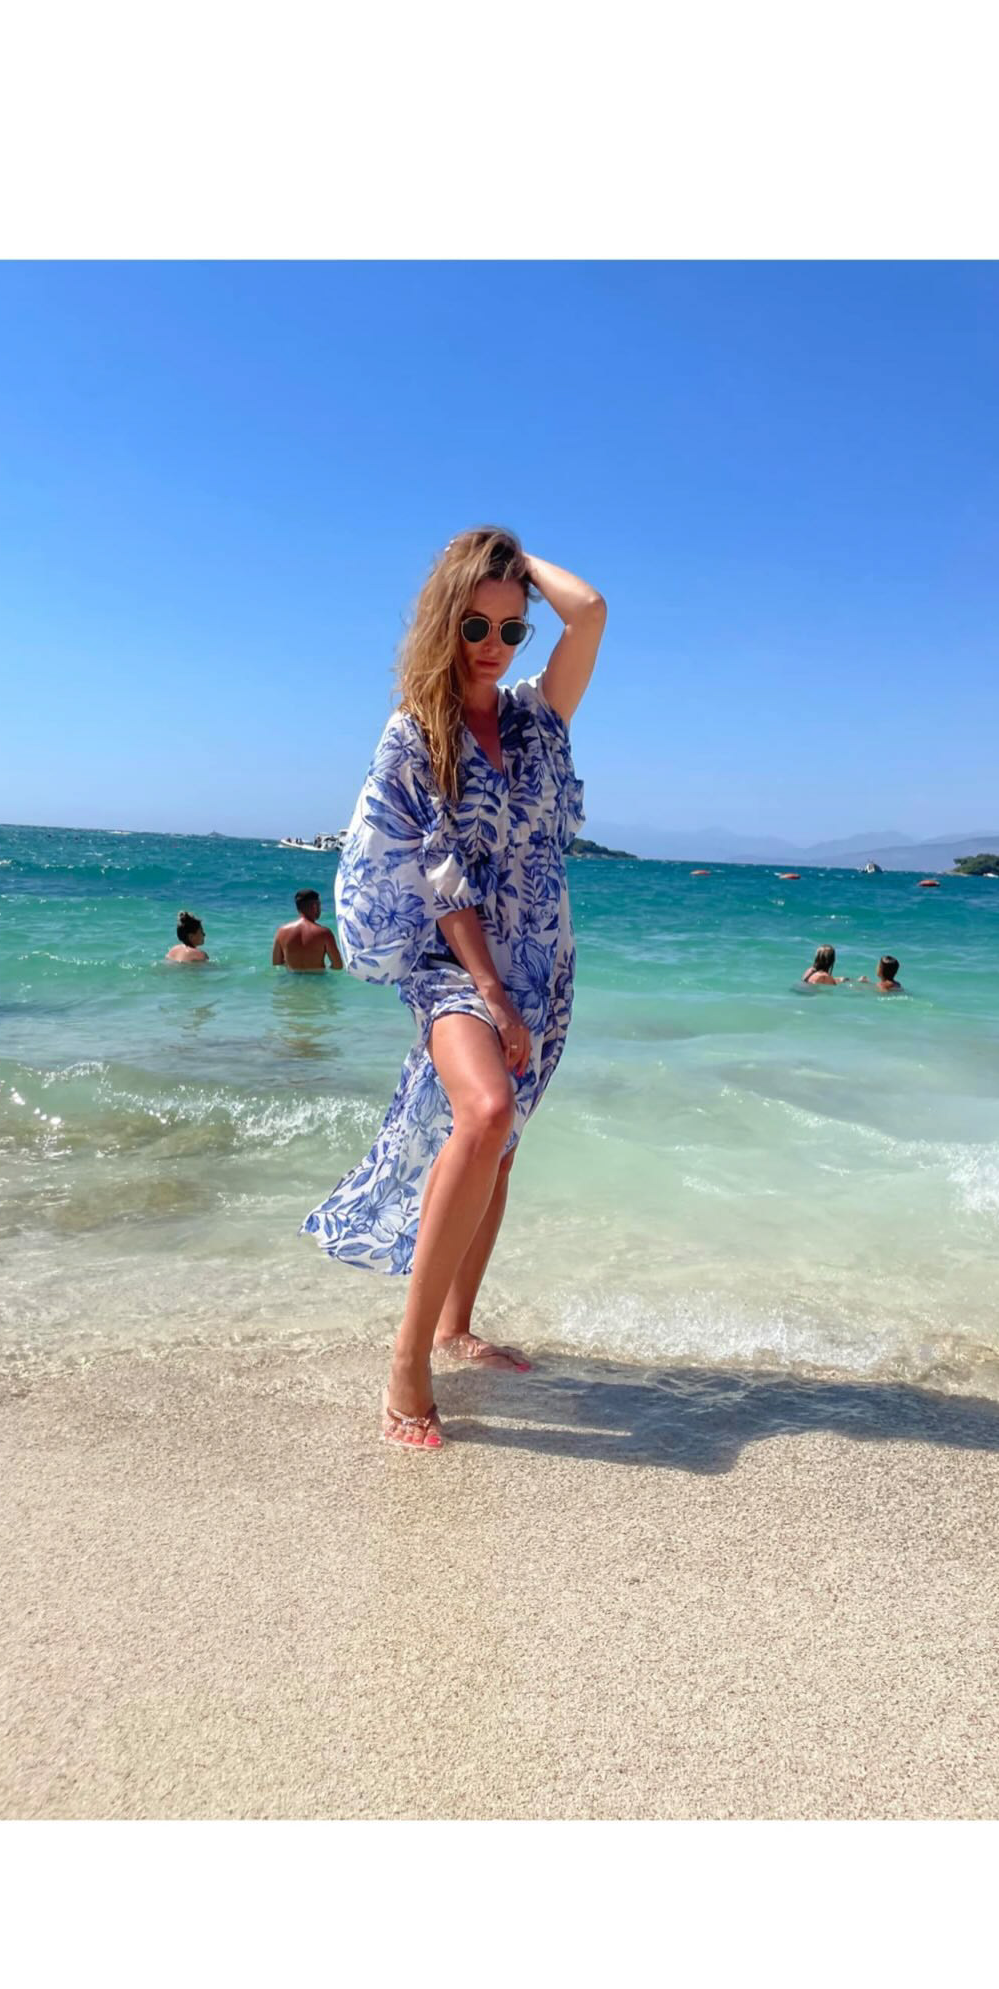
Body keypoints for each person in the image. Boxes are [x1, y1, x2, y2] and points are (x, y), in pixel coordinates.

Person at [302, 527, 606, 1450]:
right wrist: (491, 993)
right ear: (443, 621)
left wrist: (513, 554)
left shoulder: (535, 718)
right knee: (485, 1111)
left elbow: (590, 611)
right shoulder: (417, 731)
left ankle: (454, 1327)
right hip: (456, 965)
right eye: (474, 624)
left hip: (541, 965)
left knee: (499, 1148)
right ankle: (408, 1361)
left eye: (511, 629)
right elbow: (440, 878)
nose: (493, 645)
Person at [272, 890, 343, 971]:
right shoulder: (324, 933)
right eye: (319, 905)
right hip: (317, 978)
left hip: (291, 977)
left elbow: (277, 963)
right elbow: (337, 965)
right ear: (315, 907)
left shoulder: (281, 931)